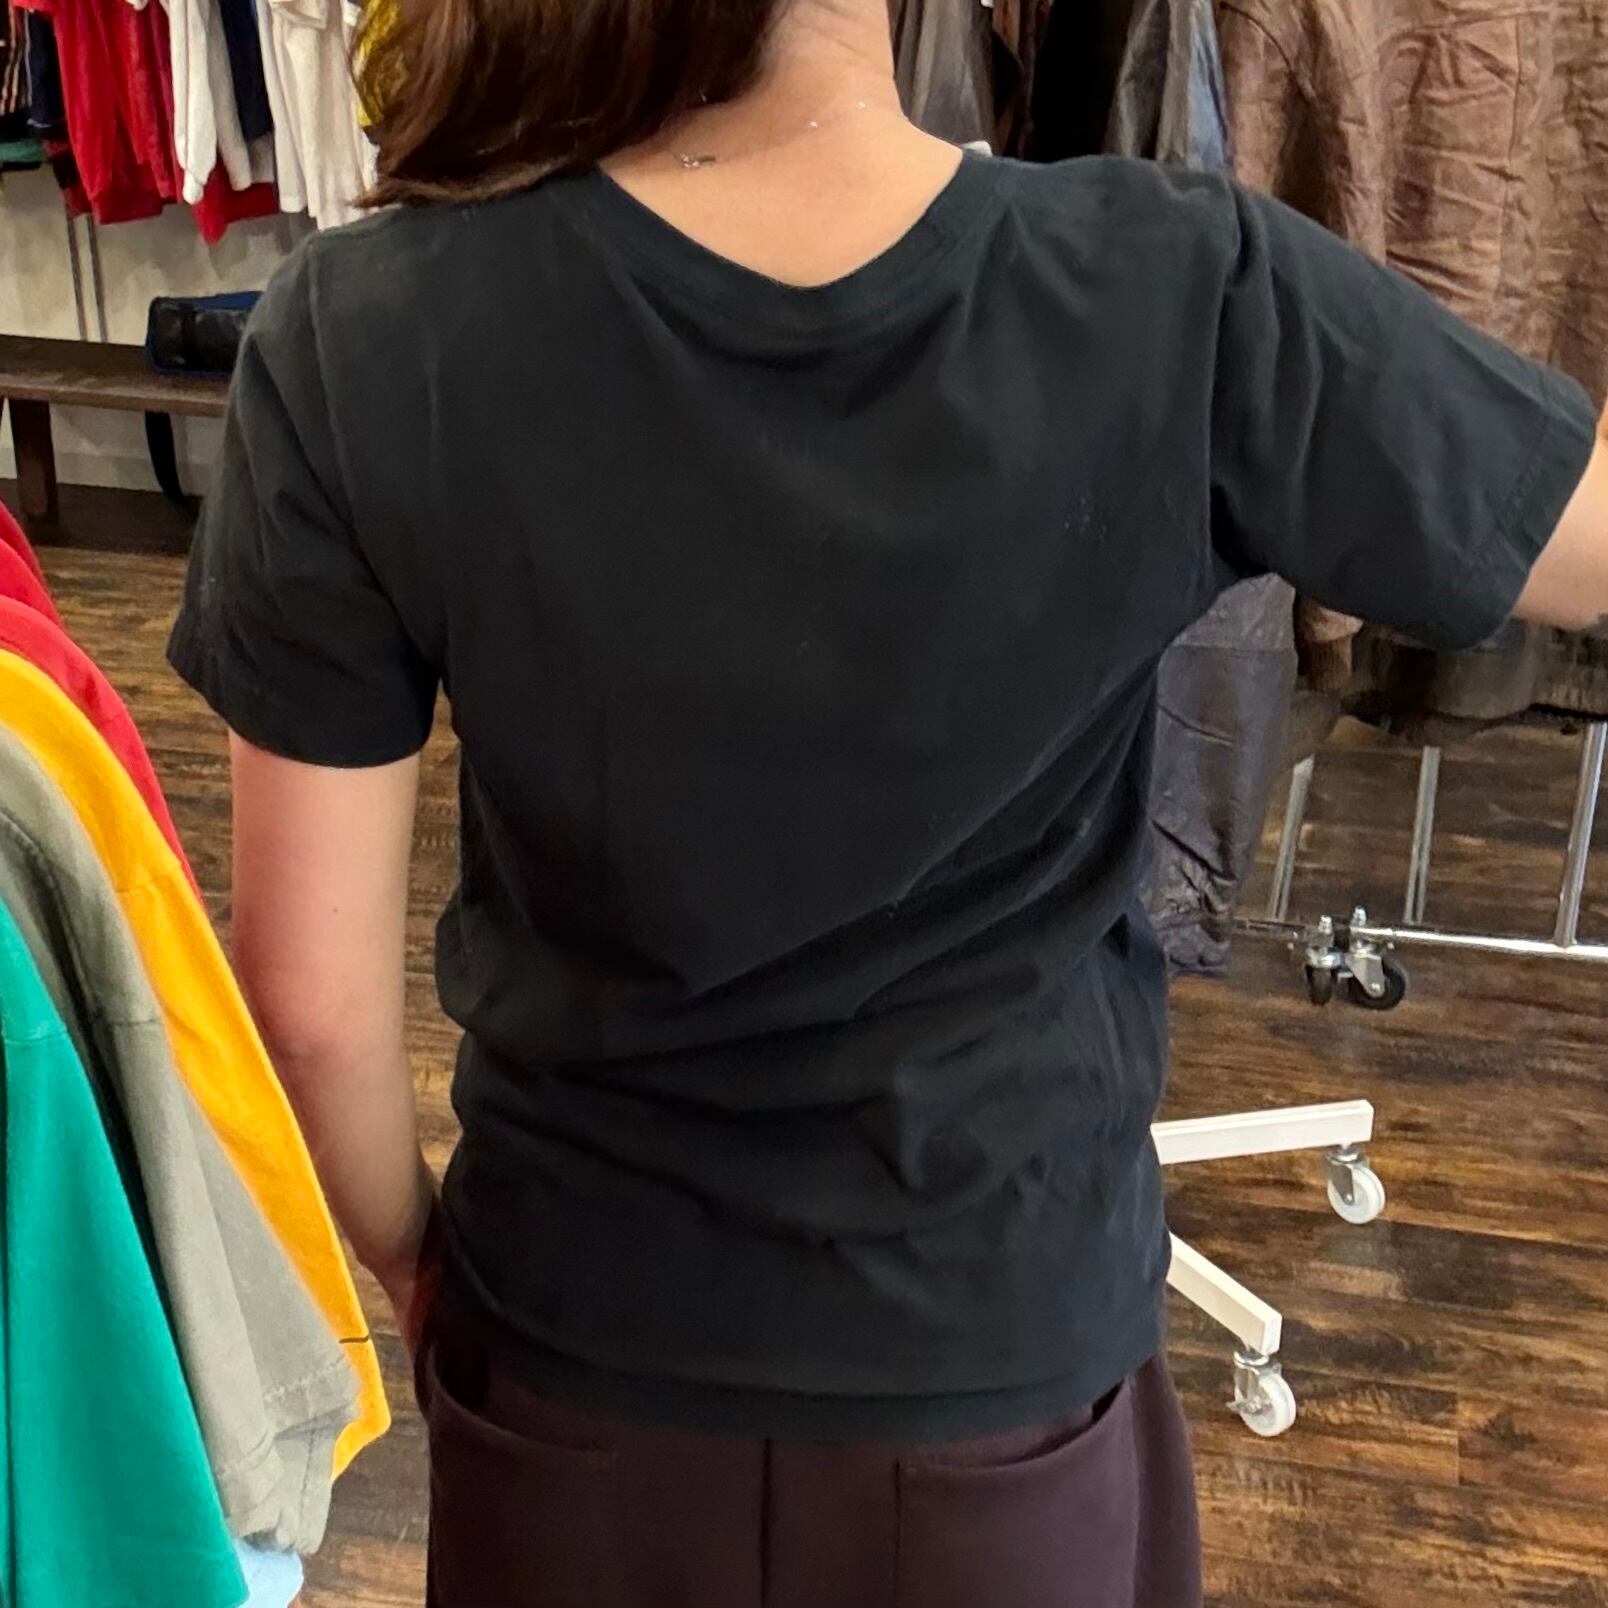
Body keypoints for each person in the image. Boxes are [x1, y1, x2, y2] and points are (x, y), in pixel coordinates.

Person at [167, 1, 1608, 1603]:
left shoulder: (361, 329)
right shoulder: (1178, 284)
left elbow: (308, 1008)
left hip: (582, 1351)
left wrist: (416, 1260)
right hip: (998, 1369)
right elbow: (1578, 529)